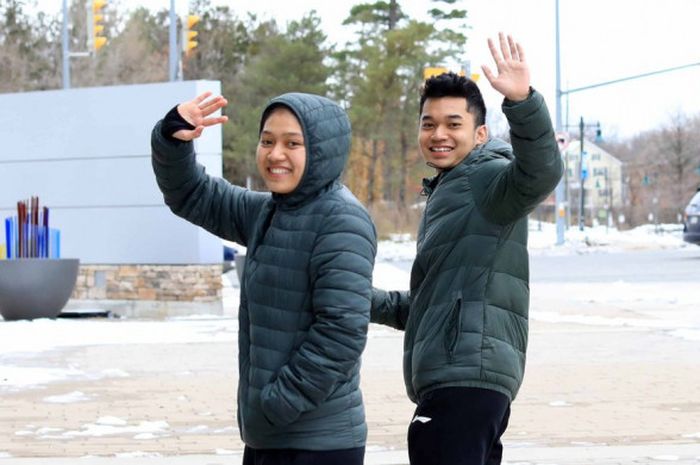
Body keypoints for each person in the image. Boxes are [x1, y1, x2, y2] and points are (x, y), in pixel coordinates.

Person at [151, 92, 376, 465]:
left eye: (293, 143)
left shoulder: (341, 220)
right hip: (271, 437)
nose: (275, 154)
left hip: (314, 444)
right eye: (267, 140)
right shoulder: (269, 211)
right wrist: (172, 135)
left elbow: (342, 331)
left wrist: (277, 404)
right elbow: (193, 194)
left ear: (323, 151)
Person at [370, 33, 563, 465]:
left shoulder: (487, 178)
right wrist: (359, 299)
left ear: (479, 133)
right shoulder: (450, 191)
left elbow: (542, 172)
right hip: (461, 378)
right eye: (429, 123)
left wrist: (523, 102)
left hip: (467, 376)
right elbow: (431, 305)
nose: (439, 134)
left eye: (453, 124)